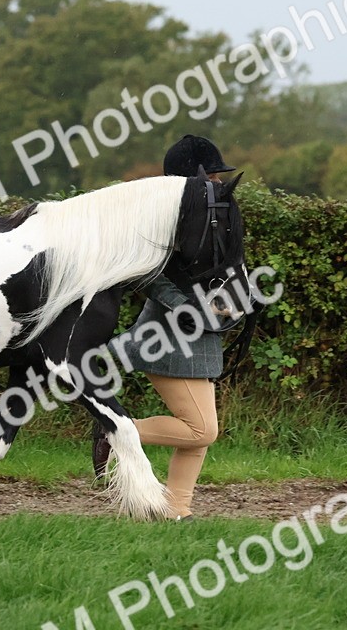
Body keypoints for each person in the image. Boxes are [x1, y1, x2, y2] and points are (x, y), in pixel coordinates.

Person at [92, 134, 237, 520]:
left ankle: (176, 511)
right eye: (213, 177)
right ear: (192, 182)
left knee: (199, 434)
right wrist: (187, 307)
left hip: (199, 340)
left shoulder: (208, 220)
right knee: (202, 430)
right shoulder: (164, 221)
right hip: (167, 339)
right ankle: (117, 430)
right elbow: (149, 276)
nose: (219, 184)